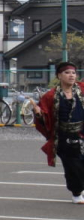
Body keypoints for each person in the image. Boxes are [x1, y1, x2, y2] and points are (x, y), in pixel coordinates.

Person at [33, 61, 84, 203]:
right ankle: (77, 193)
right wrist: (38, 114)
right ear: (59, 76)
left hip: (82, 132)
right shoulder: (50, 96)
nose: (71, 75)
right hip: (64, 136)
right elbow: (45, 118)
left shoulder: (82, 90)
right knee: (73, 166)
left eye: (73, 73)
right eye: (67, 73)